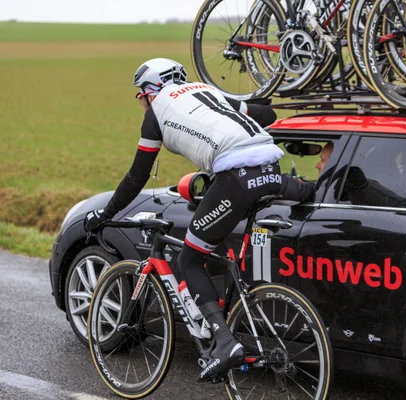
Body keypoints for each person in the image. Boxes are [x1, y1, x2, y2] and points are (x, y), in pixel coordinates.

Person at [83, 58, 312, 380]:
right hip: (271, 171)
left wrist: (105, 215)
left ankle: (224, 341)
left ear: (151, 89)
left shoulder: (157, 114)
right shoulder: (208, 93)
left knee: (189, 258)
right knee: (212, 241)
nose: (143, 104)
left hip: (235, 178)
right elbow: (267, 115)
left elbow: (137, 176)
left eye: (140, 97)